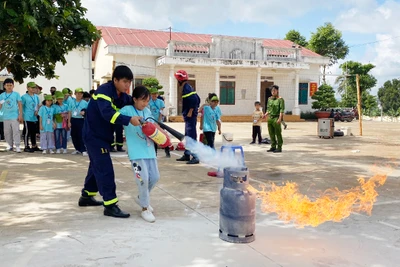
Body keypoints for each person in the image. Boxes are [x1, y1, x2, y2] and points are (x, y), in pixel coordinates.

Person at [78, 65, 141, 218]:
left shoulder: (121, 95)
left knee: (96, 165)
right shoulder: (104, 92)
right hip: (94, 136)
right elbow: (108, 114)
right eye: (125, 82)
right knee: (105, 168)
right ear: (115, 80)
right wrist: (129, 120)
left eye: (130, 82)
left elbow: (131, 102)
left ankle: (86, 196)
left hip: (103, 136)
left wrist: (142, 102)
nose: (127, 85)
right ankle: (110, 205)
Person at [120, 85, 162, 222]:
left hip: (149, 151)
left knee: (154, 177)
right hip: (136, 153)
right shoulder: (127, 110)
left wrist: (163, 136)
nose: (145, 103)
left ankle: (141, 198)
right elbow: (117, 118)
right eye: (143, 100)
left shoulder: (148, 111)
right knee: (142, 179)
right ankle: (144, 208)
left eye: (147, 100)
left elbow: (154, 126)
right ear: (134, 99)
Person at [174, 70, 201, 164]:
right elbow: (197, 98)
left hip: (190, 116)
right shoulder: (188, 87)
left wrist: (191, 110)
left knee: (191, 136)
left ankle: (195, 156)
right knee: (187, 136)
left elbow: (195, 99)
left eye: (177, 79)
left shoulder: (186, 88)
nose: (177, 81)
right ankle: (187, 154)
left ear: (180, 80)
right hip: (189, 117)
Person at [0, 78, 23, 152]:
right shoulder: (2, 95)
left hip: (14, 116)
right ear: (4, 86)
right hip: (5, 116)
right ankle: (10, 145)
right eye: (7, 85)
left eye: (11, 85)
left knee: (16, 131)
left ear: (13, 86)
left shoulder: (16, 94)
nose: (9, 87)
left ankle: (17, 146)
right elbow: (0, 105)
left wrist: (20, 115)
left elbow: (19, 104)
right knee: (7, 132)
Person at [148, 87, 170, 157]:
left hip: (159, 122)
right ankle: (154, 153)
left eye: (155, 94)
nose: (154, 95)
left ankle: (167, 151)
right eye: (153, 94)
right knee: (153, 137)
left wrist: (159, 121)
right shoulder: (149, 102)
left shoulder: (160, 102)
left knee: (163, 136)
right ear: (151, 94)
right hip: (152, 122)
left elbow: (161, 111)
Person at [21, 82, 41, 152]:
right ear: (27, 88)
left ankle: (34, 145)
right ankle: (26, 146)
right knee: (27, 132)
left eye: (34, 88)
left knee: (33, 132)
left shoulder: (36, 97)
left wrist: (37, 111)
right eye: (32, 87)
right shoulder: (24, 97)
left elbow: (38, 105)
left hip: (34, 117)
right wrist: (21, 115)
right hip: (27, 117)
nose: (33, 89)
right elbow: (21, 106)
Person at [264, 85, 285, 153]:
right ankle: (273, 146)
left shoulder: (280, 99)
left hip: (276, 118)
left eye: (274, 90)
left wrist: (279, 119)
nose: (273, 92)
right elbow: (268, 109)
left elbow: (281, 110)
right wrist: (265, 115)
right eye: (272, 91)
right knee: (271, 133)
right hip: (270, 118)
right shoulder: (269, 99)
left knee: (278, 133)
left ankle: (279, 147)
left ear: (277, 91)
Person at [68, 88, 88, 156]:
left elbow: (88, 111)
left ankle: (83, 149)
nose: (79, 95)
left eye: (81, 93)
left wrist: (84, 112)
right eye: (78, 93)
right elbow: (69, 112)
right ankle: (77, 149)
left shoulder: (85, 103)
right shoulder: (71, 102)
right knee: (74, 135)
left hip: (81, 120)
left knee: (81, 134)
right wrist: (69, 122)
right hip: (73, 119)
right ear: (75, 94)